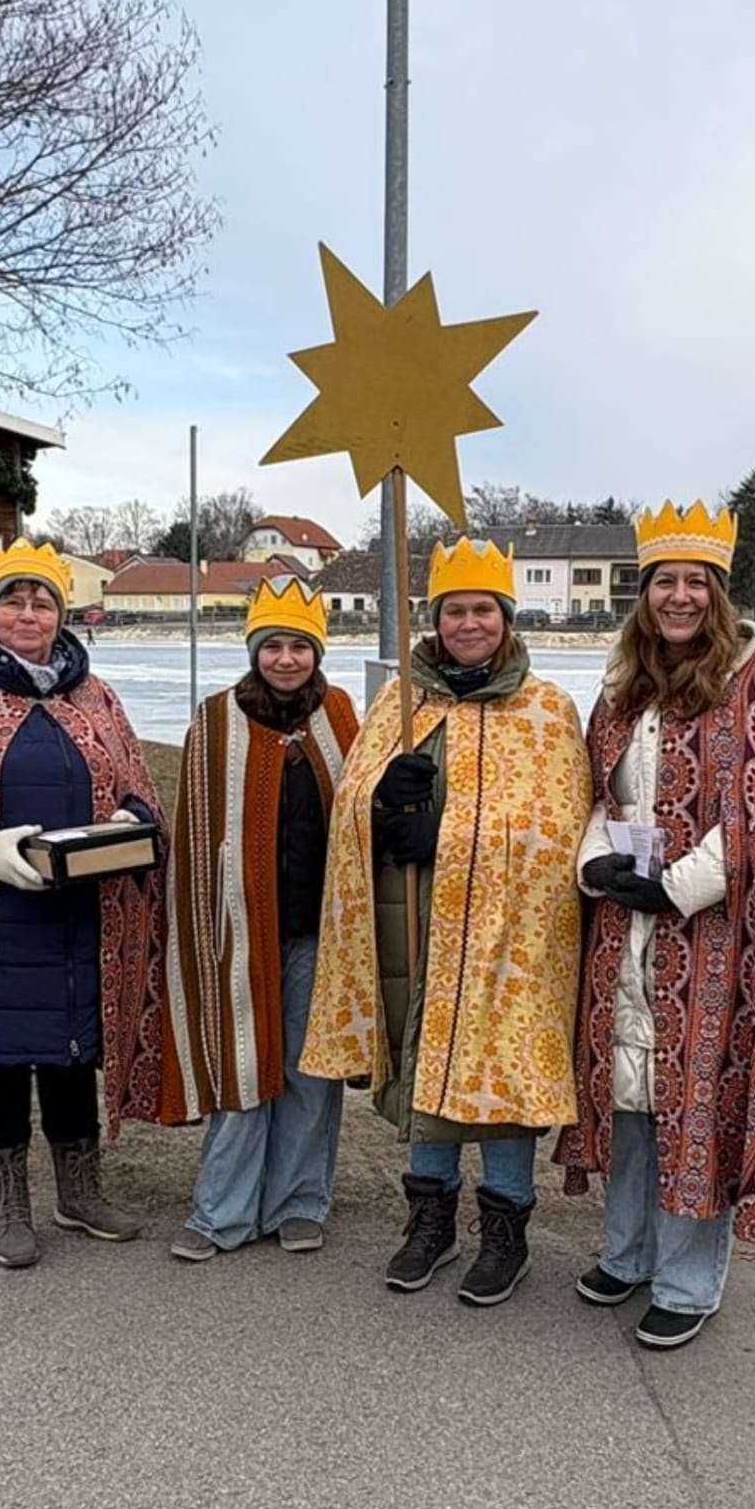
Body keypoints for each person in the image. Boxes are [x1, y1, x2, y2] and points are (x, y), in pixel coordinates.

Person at [558, 500, 755, 1348]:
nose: (677, 596)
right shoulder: (623, 685)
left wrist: (678, 887)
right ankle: (628, 1252)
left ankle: (685, 1280)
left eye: (694, 582)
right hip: (626, 930)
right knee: (630, 1097)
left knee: (696, 1105)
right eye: (662, 582)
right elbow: (598, 791)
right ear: (642, 594)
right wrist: (595, 864)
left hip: (715, 934)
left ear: (717, 593)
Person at [302, 537, 592, 1306]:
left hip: (505, 938)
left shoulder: (544, 710)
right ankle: (429, 1223)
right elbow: (350, 811)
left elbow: (555, 833)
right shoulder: (401, 704)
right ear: (434, 620)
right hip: (413, 920)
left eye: (482, 610)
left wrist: (449, 835)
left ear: (506, 617)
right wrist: (378, 803)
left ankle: (505, 1232)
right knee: (420, 1061)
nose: (468, 624)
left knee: (499, 1075)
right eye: (453, 610)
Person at [0, 539, 166, 1268]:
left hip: (83, 912)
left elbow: (138, 786)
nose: (27, 614)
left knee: (73, 1051)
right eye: (12, 601)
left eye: (41, 602)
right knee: (4, 1061)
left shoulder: (95, 696)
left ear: (61, 614)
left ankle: (79, 1192)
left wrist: (129, 820)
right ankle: (7, 1202)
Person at [162, 573, 358, 1258]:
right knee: (241, 1066)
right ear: (254, 652)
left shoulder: (339, 717)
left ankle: (298, 1201)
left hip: (316, 929)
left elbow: (359, 816)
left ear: (317, 652)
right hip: (237, 931)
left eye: (298, 647)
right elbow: (196, 833)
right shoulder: (217, 721)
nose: (285, 659)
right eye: (272, 646)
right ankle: (222, 1212)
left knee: (309, 1071)